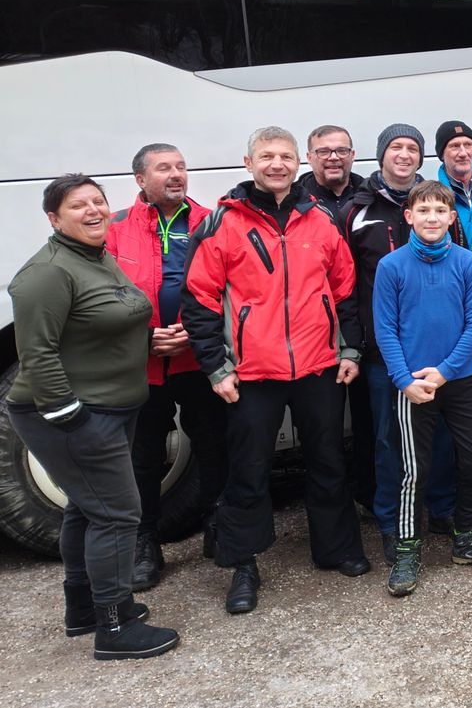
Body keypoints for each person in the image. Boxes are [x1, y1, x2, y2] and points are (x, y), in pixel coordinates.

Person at [183, 126, 370, 616]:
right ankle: (242, 564)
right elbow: (199, 299)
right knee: (247, 469)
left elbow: (345, 290)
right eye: (267, 156)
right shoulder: (224, 223)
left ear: (297, 163)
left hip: (318, 365)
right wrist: (216, 367)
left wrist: (350, 351)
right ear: (249, 163)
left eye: (285, 156)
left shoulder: (320, 220)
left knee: (328, 460)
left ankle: (336, 548)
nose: (277, 164)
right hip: (251, 372)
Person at [8, 174, 180, 660]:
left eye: (97, 201)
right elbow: (37, 353)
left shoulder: (95, 257)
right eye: (77, 205)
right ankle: (114, 626)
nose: (93, 211)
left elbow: (94, 326)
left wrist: (148, 341)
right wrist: (71, 418)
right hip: (76, 414)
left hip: (110, 406)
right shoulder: (46, 273)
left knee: (86, 509)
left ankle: (83, 608)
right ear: (53, 218)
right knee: (117, 513)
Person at [373, 180, 472, 597]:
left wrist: (446, 371)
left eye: (439, 211)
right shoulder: (391, 266)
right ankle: (407, 548)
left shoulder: (467, 263)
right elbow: (385, 329)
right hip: (412, 385)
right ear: (409, 216)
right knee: (414, 470)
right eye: (423, 210)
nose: (431, 218)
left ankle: (467, 535)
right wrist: (404, 380)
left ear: (452, 218)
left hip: (459, 379)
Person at [106, 143, 224, 592]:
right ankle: (145, 542)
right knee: (144, 455)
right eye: (163, 168)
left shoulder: (210, 221)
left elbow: (229, 286)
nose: (176, 174)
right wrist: (145, 338)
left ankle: (218, 522)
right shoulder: (115, 228)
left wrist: (196, 333)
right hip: (143, 363)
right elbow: (99, 297)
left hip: (199, 357)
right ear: (141, 180)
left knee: (214, 444)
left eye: (180, 167)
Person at [344, 124, 457, 564]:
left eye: (413, 147)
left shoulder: (437, 203)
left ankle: (442, 509)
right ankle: (391, 522)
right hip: (383, 352)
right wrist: (354, 343)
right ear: (381, 155)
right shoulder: (357, 211)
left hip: (437, 352)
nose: (405, 154)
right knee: (389, 440)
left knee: (440, 436)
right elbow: (345, 284)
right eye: (396, 147)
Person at [301, 124, 365, 222]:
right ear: (309, 158)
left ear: (352, 155)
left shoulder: (373, 197)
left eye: (342, 151)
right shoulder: (294, 201)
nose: (334, 157)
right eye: (323, 151)